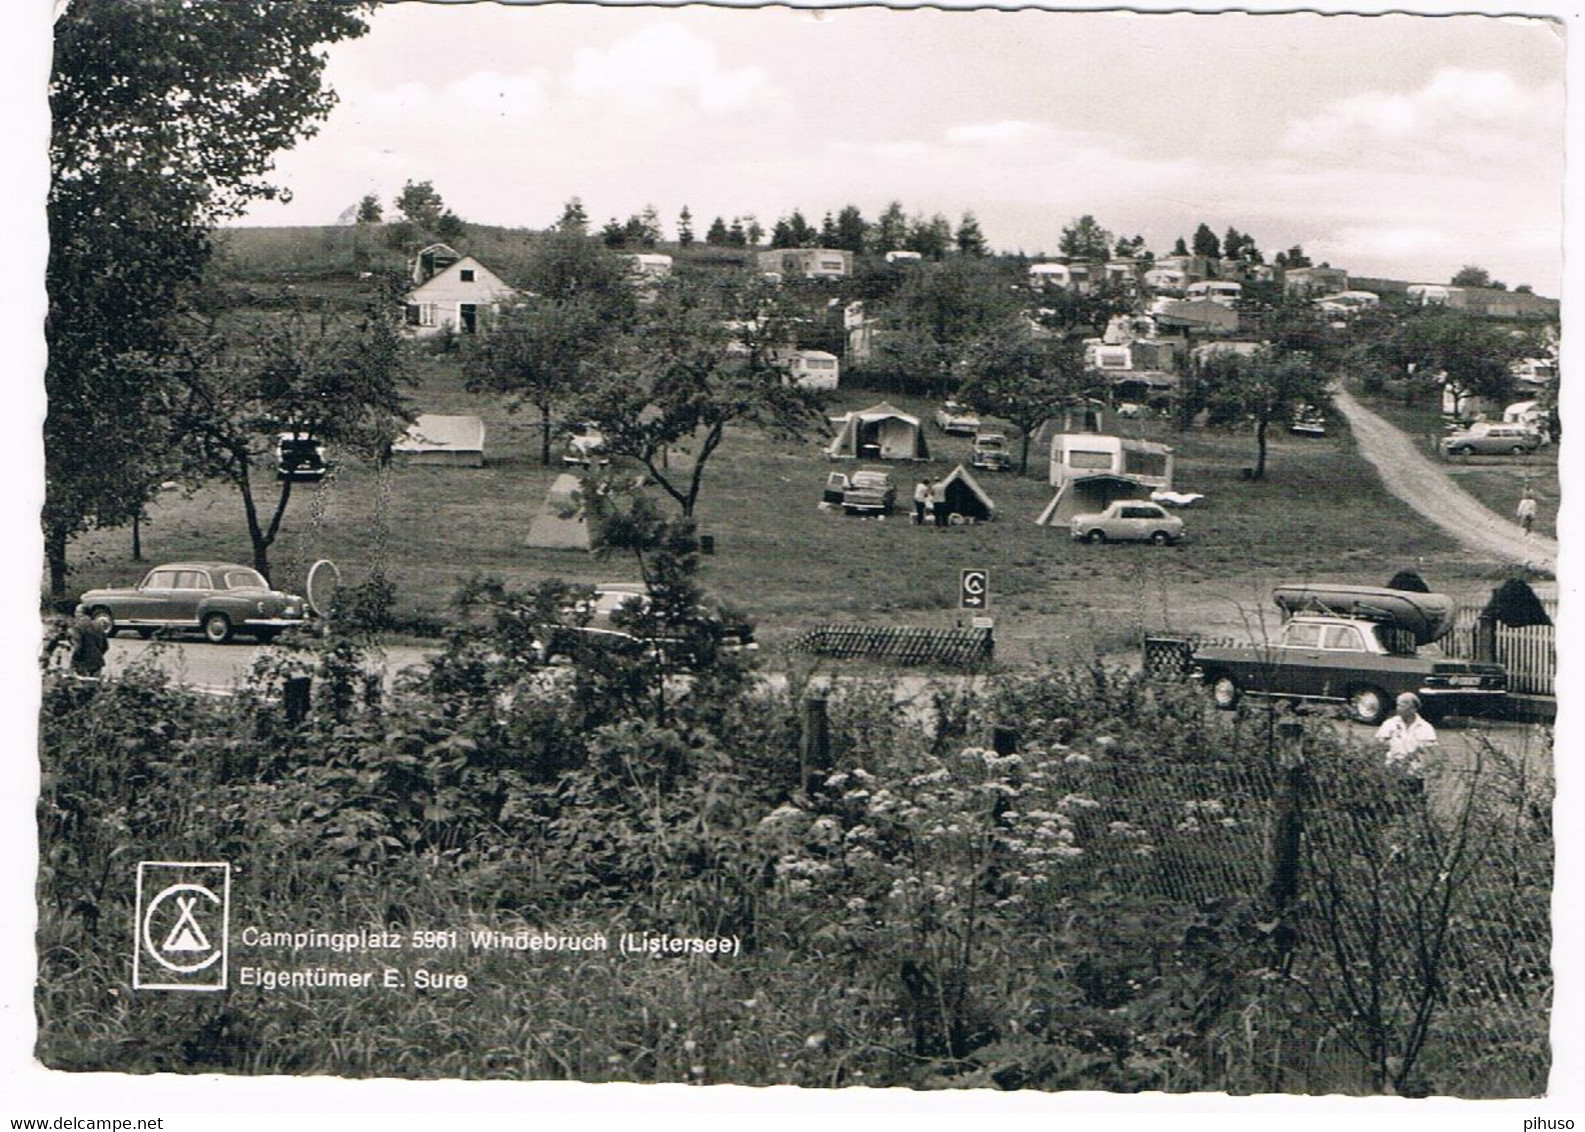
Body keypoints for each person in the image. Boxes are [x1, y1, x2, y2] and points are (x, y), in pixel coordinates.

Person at [1375, 692, 1437, 791]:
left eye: (1402, 705)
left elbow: (1430, 753)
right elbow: (1379, 747)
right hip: (1391, 772)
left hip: (1414, 775)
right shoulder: (1389, 724)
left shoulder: (1426, 728)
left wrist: (1428, 773)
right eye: (1398, 705)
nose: (1398, 708)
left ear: (1413, 709)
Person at [68, 609, 109, 678]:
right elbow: (106, 646)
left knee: (82, 685)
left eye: (76, 612)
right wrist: (98, 654)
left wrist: (74, 661)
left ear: (79, 613)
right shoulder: (99, 625)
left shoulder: (77, 627)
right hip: (97, 661)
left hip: (82, 662)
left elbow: (78, 647)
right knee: (95, 685)